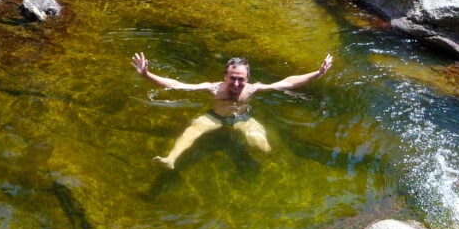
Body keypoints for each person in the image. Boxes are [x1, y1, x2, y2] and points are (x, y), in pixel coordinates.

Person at [131, 52, 333, 168]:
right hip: (214, 117)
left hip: (242, 119)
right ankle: (171, 159)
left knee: (265, 149)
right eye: (232, 77)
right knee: (191, 131)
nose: (236, 83)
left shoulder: (252, 89)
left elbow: (287, 83)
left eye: (241, 79)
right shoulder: (214, 88)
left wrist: (318, 73)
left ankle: (268, 166)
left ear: (247, 78)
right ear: (225, 76)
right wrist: (147, 75)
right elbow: (177, 85)